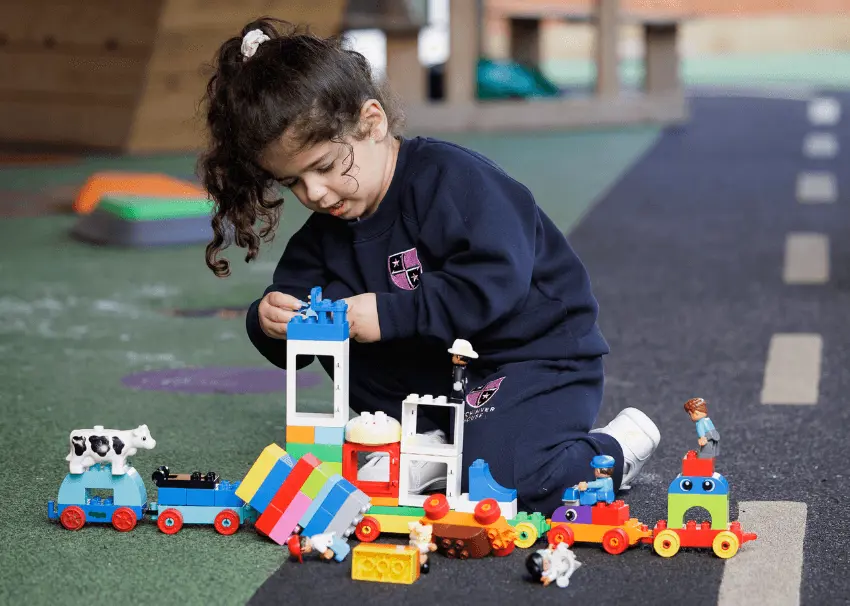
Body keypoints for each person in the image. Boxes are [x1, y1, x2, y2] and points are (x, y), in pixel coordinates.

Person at [199, 18, 661, 516]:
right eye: (293, 182)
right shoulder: (322, 237)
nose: (313, 192)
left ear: (372, 122)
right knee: (335, 320)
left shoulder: (454, 182)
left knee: (496, 483)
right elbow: (295, 320)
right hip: (434, 384)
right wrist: (269, 320)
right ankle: (434, 445)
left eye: (326, 166)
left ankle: (610, 452)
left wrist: (388, 315)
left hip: (528, 360)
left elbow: (495, 284)